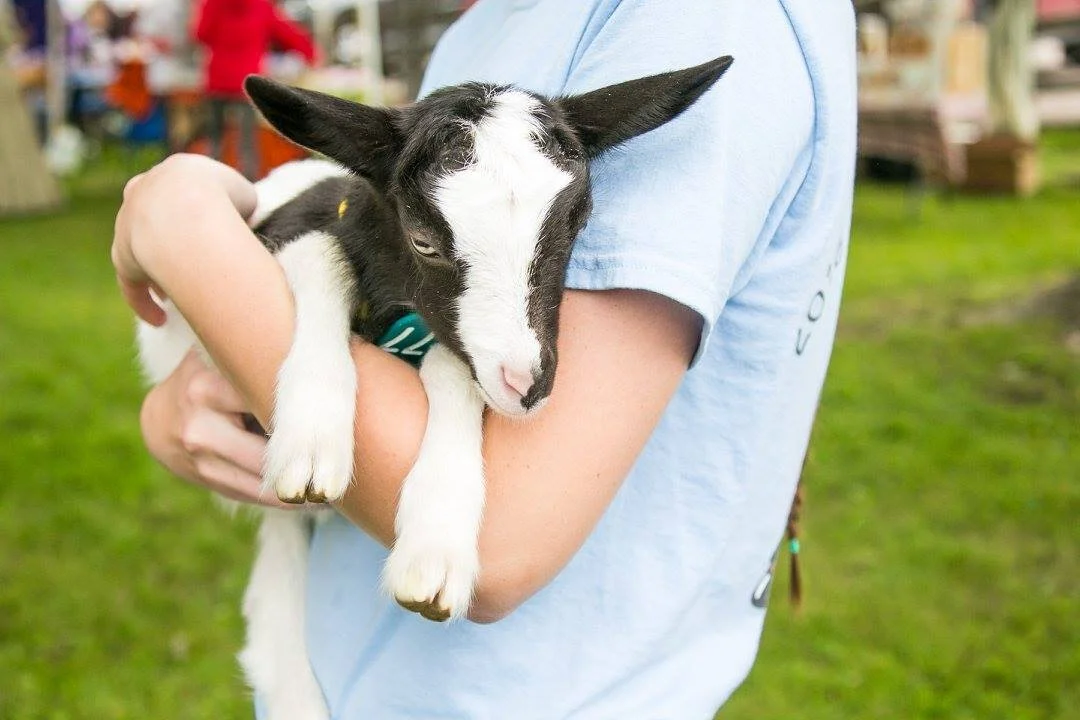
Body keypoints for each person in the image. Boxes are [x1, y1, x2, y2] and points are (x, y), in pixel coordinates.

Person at [113, 0, 857, 717]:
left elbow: (499, 539)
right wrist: (182, 406)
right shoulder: (482, 27)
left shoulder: (702, 14)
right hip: (347, 670)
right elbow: (408, 320)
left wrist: (181, 231)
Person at [192, 0, 315, 179]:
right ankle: (249, 183)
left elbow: (201, 34)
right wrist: (310, 52)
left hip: (218, 78)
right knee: (248, 141)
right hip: (246, 82)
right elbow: (286, 32)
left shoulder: (213, 4)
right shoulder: (261, 6)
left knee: (215, 138)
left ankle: (211, 181)